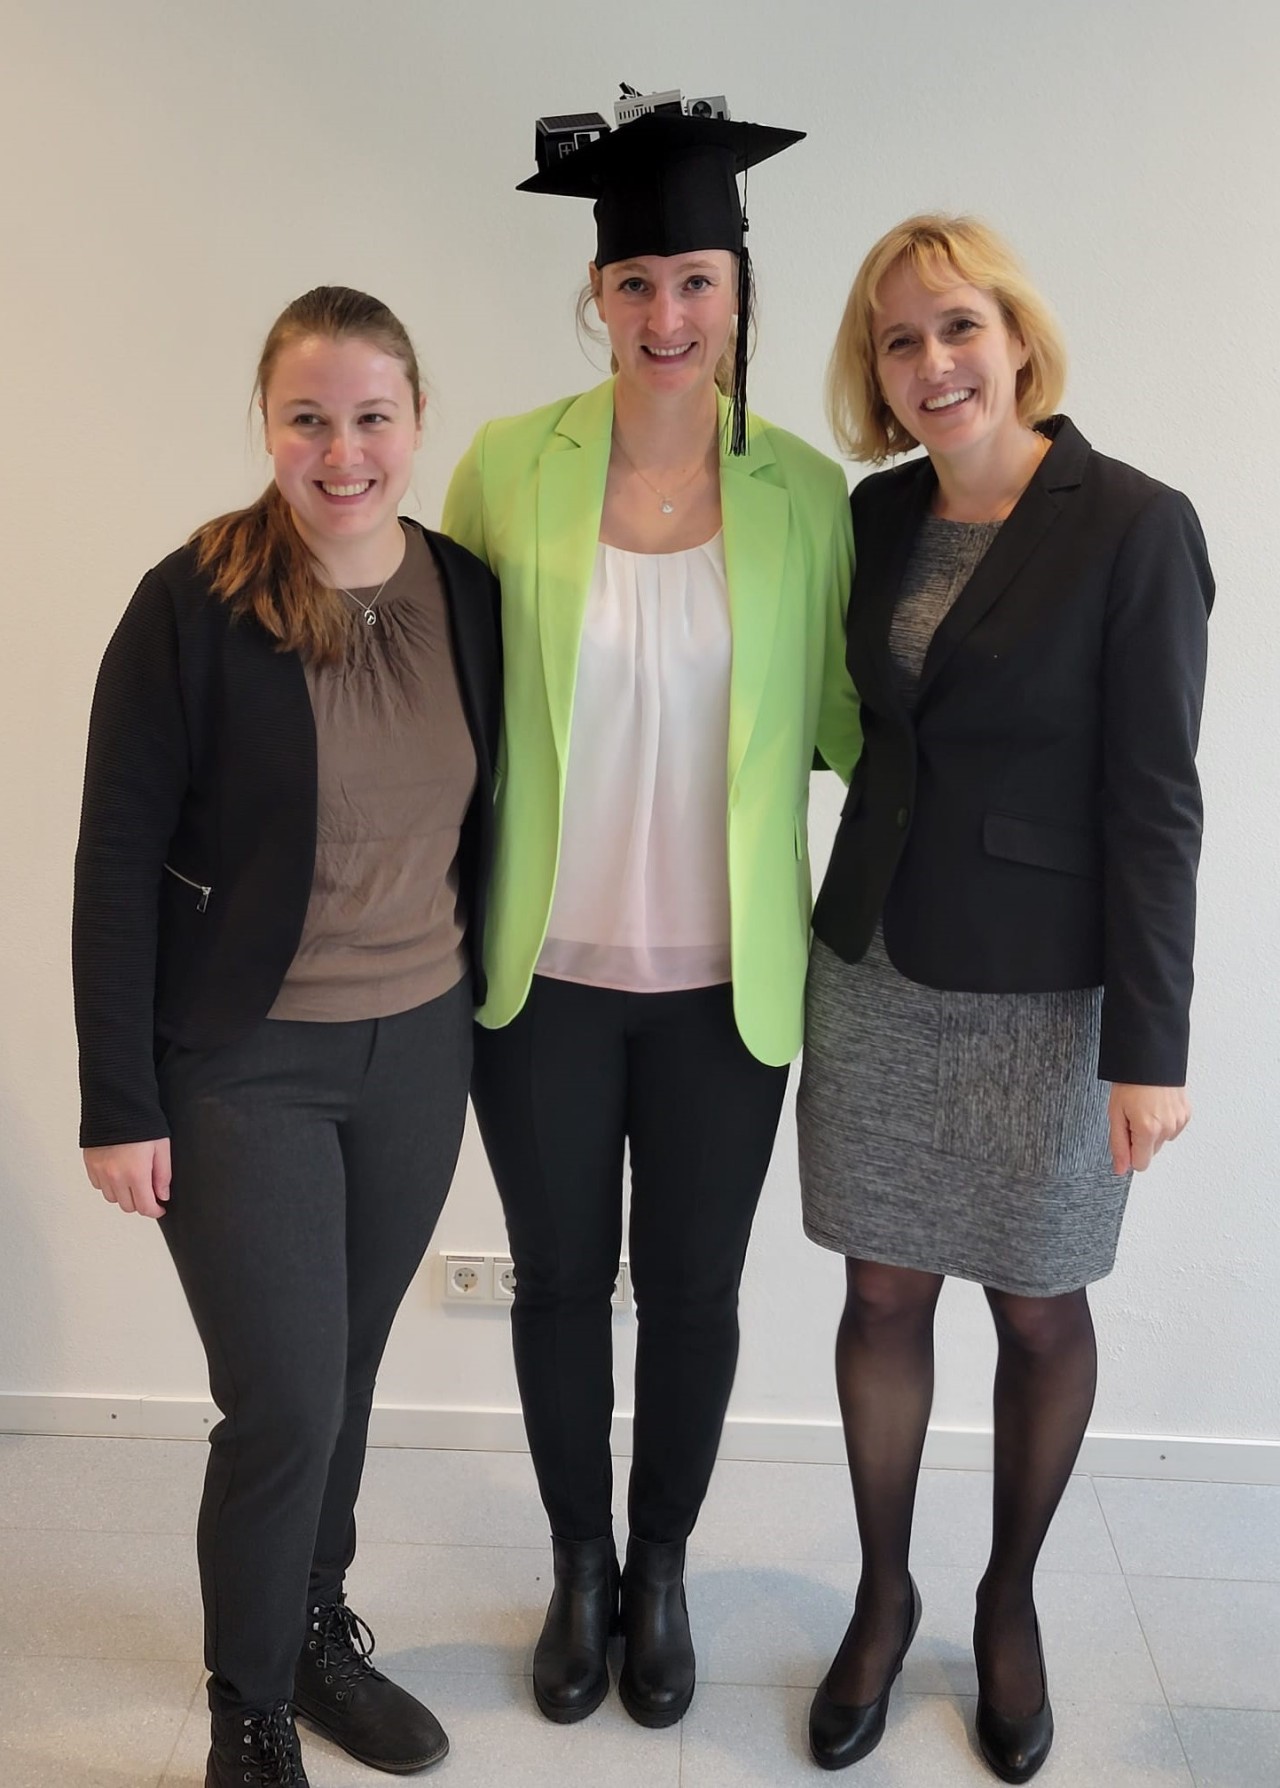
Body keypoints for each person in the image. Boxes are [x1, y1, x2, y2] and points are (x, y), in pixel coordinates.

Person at [442, 102, 861, 1730]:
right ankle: (580, 1568)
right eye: (636, 284)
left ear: (741, 290)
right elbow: (445, 701)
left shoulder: (807, 493)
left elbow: (857, 722)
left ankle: (664, 1564)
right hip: (540, 976)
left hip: (725, 986)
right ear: (597, 297)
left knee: (693, 1294)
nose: (667, 316)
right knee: (558, 1284)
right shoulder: (508, 465)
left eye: (696, 281)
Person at [797, 214, 1213, 1780]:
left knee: (1039, 1309)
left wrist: (1150, 1050)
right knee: (880, 1297)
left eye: (958, 325)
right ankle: (883, 1596)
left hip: (1047, 992)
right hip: (877, 970)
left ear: (1018, 337)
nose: (933, 362)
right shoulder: (878, 514)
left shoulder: (1136, 525)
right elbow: (861, 724)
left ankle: (1009, 1600)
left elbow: (1157, 804)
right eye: (899, 340)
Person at [72, 286, 500, 1788]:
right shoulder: (191, 602)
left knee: (350, 1370)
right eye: (308, 418)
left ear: (417, 420)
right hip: (245, 1063)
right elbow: (115, 859)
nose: (342, 450)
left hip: (420, 1049)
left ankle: (315, 1631)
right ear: (266, 426)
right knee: (286, 1400)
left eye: (372, 416)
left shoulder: (466, 591)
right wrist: (118, 1098)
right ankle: (247, 1710)